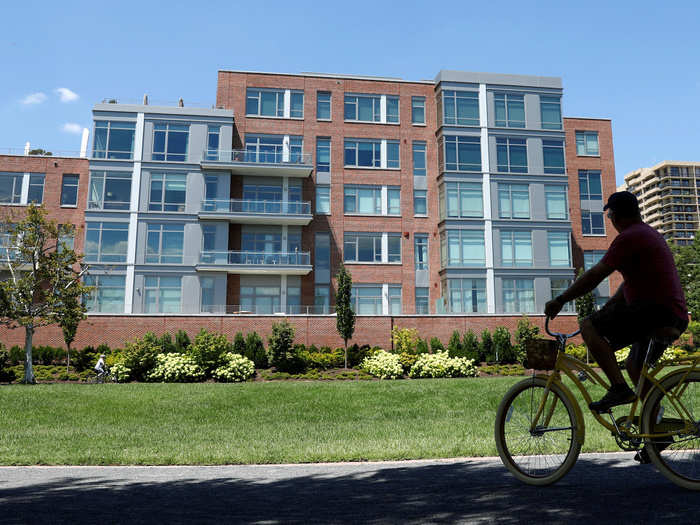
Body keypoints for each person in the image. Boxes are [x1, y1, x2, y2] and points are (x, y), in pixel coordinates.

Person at [544, 191, 688, 460]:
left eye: (609, 215)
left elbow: (596, 275)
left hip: (653, 313)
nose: (609, 219)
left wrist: (561, 299)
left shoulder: (629, 237)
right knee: (635, 366)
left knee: (589, 326)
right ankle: (656, 431)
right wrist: (609, 307)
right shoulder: (647, 235)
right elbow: (629, 284)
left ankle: (619, 389)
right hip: (672, 316)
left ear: (616, 215)